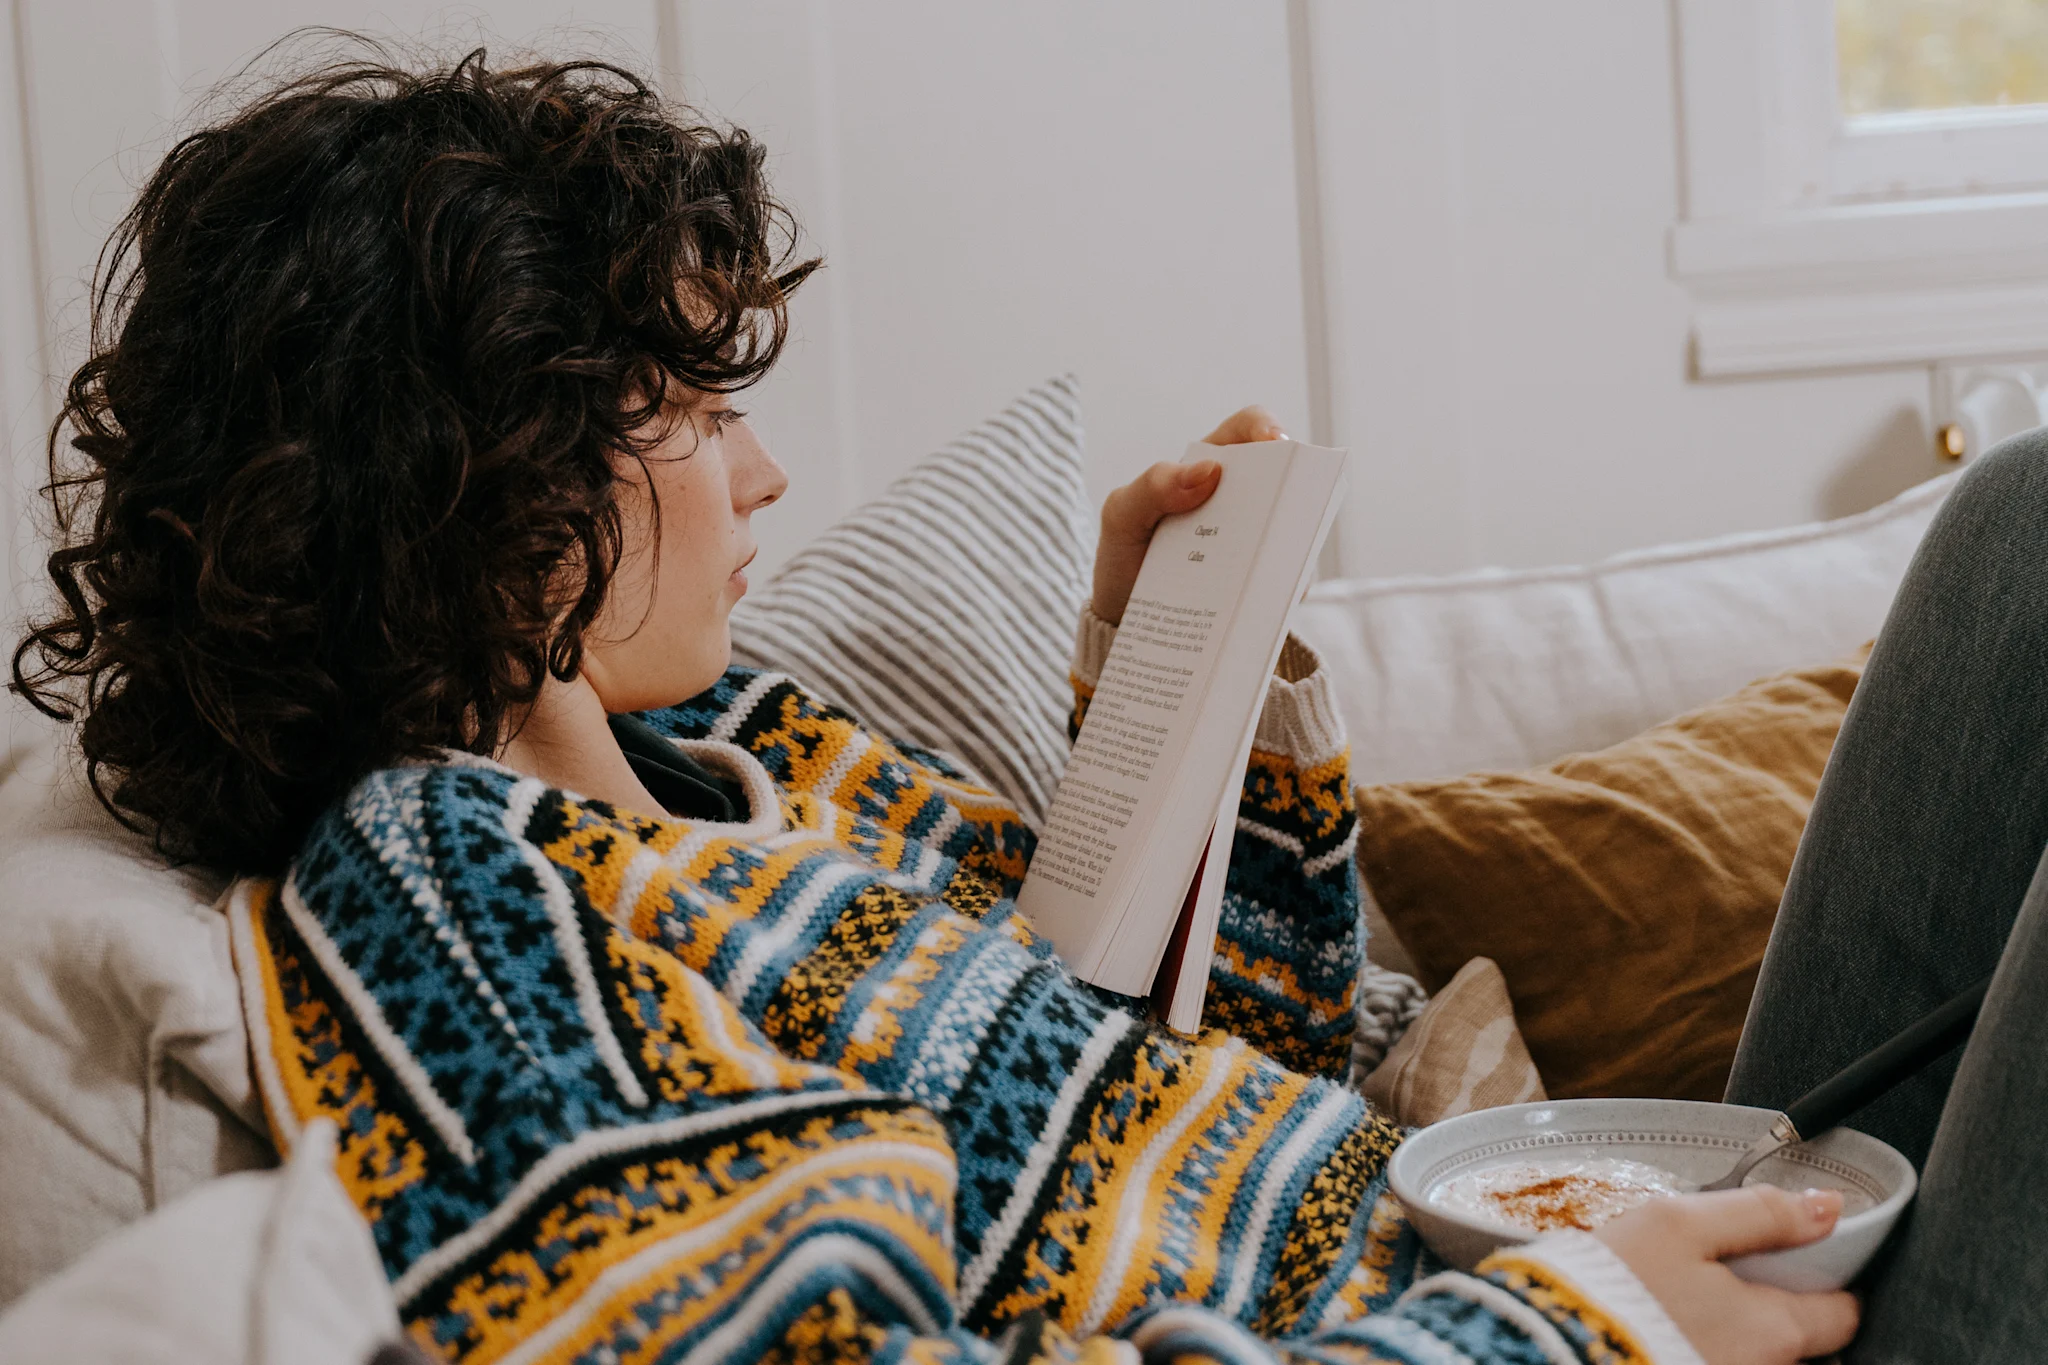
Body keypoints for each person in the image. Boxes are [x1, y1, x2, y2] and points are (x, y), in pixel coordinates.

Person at [32, 47, 2030, 1365]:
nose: (761, 478)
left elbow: (1227, 1078)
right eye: (696, 414)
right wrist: (1570, 1333)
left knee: (2017, 525)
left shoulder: (752, 760)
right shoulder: (453, 906)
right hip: (1561, 1334)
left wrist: (1182, 708)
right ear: (483, 479)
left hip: (1562, 1243)